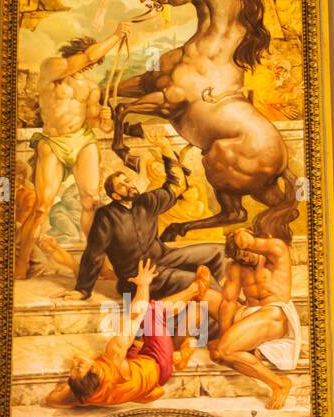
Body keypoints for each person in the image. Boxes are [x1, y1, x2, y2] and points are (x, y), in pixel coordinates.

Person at [15, 25, 129, 279]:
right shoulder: (53, 67)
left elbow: (93, 122)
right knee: (42, 208)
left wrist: (104, 118)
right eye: (92, 59)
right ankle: (21, 263)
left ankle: (100, 264)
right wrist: (116, 35)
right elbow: (89, 56)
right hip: (53, 142)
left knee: (92, 200)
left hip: (82, 140)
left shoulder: (90, 87)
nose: (92, 64)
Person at [63, 129, 225, 302]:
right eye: (122, 185)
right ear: (116, 196)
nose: (129, 185)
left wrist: (165, 148)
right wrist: (82, 290)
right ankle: (219, 303)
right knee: (201, 282)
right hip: (139, 276)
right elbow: (93, 254)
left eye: (127, 180)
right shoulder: (106, 216)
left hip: (165, 258)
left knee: (218, 252)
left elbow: (178, 186)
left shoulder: (146, 201)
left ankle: (210, 301)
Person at [43, 257, 212, 408]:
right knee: (152, 311)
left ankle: (180, 355)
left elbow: (51, 400)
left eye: (72, 370)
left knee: (137, 339)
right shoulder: (114, 355)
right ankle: (195, 290)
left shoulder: (87, 394)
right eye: (79, 365)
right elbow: (137, 313)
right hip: (158, 365)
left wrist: (75, 387)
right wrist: (143, 285)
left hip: (136, 369)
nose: (74, 362)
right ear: (95, 371)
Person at [210, 227, 303, 410]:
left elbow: (249, 242)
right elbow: (229, 301)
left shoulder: (276, 253)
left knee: (225, 351)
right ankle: (238, 344)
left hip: (274, 314)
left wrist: (241, 235)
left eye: (244, 253)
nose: (243, 259)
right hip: (249, 313)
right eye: (239, 257)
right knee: (207, 298)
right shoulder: (236, 266)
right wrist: (224, 334)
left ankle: (279, 384)